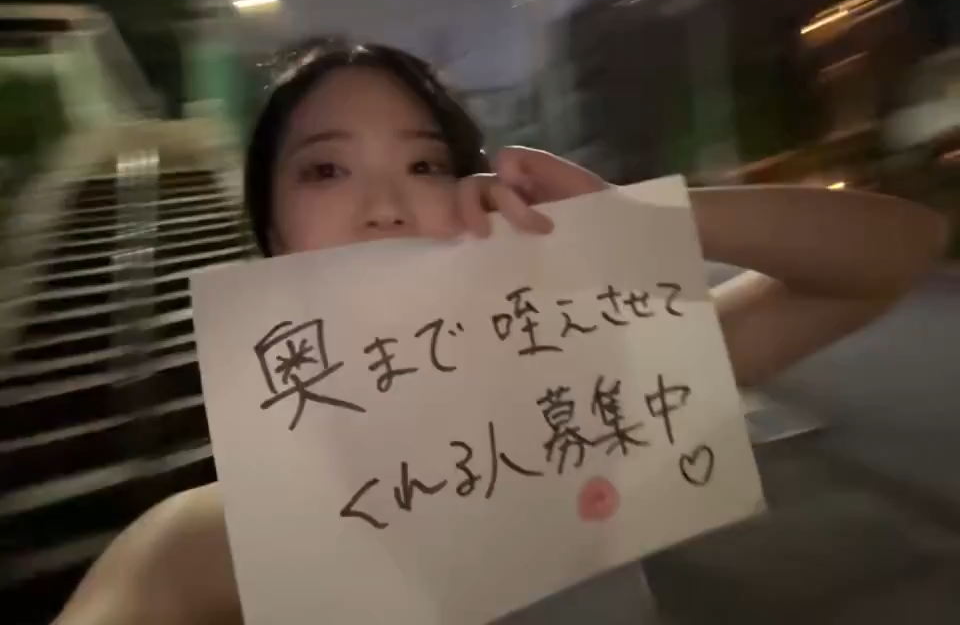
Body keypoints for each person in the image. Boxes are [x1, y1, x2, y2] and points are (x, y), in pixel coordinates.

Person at [53, 42, 948, 625]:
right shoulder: (198, 547)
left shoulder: (585, 400)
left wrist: (632, 219)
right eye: (325, 169)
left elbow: (896, 253)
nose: (385, 203)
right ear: (272, 235)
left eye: (423, 163)